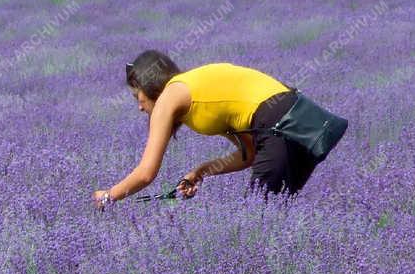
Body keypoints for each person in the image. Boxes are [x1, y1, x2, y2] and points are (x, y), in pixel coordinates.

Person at [92, 50, 344, 206]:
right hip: (303, 123)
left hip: (278, 126)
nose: (139, 107)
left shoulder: (170, 96)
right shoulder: (197, 87)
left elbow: (146, 173)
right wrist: (201, 171)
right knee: (273, 217)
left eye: (138, 98)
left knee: (255, 221)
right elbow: (249, 154)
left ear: (148, 85)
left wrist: (108, 196)